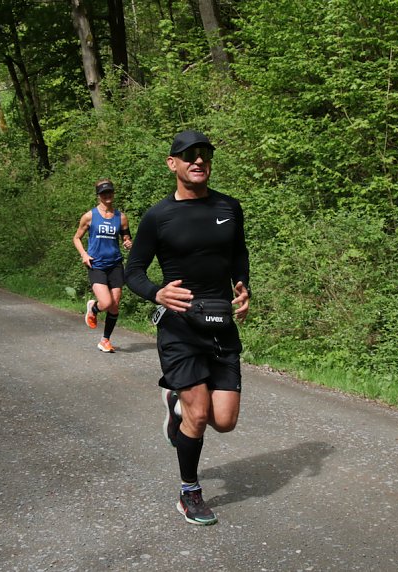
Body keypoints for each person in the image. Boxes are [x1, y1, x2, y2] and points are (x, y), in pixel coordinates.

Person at [125, 130, 251, 526]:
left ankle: (174, 406)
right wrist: (157, 294)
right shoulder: (158, 216)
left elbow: (239, 255)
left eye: (205, 155)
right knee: (198, 416)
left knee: (224, 421)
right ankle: (190, 492)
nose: (198, 161)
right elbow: (134, 272)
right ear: (173, 163)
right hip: (179, 327)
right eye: (189, 155)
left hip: (220, 324)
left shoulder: (230, 208)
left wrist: (244, 287)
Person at [73, 179, 133, 353]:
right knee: (106, 303)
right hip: (96, 264)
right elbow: (76, 238)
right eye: (103, 193)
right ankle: (93, 308)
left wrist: (128, 242)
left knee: (114, 304)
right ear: (98, 195)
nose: (107, 195)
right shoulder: (89, 216)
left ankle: (105, 340)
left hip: (115, 264)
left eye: (110, 192)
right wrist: (84, 254)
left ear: (113, 194)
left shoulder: (121, 217)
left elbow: (126, 238)